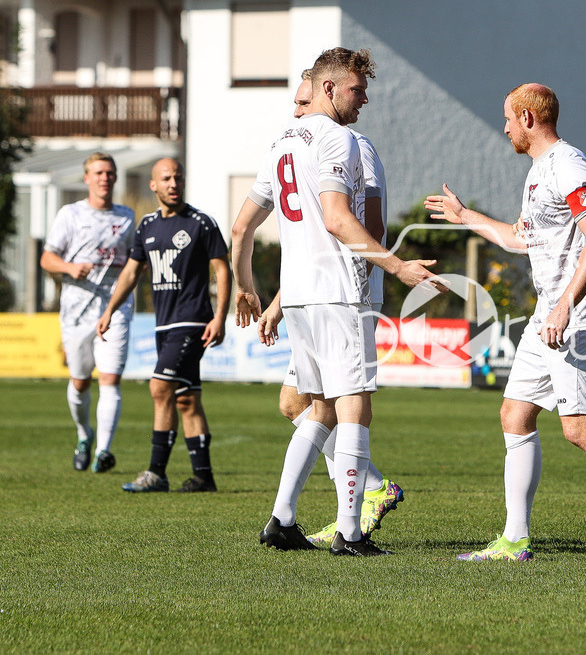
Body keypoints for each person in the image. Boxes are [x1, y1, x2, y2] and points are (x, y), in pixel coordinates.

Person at [425, 83, 586, 567]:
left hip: (575, 313)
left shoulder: (567, 164)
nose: (504, 127)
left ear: (528, 118)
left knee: (578, 428)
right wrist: (466, 216)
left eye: (508, 118)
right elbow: (517, 239)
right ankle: (515, 539)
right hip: (551, 311)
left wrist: (567, 303)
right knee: (515, 414)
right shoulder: (539, 172)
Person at [232, 47, 440, 557]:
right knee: (354, 408)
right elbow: (339, 220)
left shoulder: (281, 142)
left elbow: (241, 227)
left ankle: (282, 519)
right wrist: (398, 266)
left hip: (300, 295)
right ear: (329, 88)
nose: (364, 99)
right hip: (339, 292)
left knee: (319, 408)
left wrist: (247, 286)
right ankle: (349, 532)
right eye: (356, 89)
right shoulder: (340, 139)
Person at [248, 70, 403, 547]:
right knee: (308, 404)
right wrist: (277, 299)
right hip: (315, 293)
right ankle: (350, 508)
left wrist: (383, 269)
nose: (297, 114)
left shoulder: (355, 146)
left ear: (322, 93)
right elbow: (316, 231)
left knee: (326, 404)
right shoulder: (306, 143)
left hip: (343, 290)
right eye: (295, 105)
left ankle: (338, 511)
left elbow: (367, 224)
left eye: (302, 103)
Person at [97, 158, 230, 493]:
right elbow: (130, 272)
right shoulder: (146, 226)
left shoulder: (201, 222)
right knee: (186, 398)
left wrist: (219, 316)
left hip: (193, 321)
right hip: (164, 325)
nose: (174, 184)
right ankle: (204, 477)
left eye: (178, 178)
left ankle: (156, 473)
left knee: (159, 388)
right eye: (167, 179)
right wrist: (110, 309)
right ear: (153, 185)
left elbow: (222, 269)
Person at [41, 153, 135, 474]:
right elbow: (47, 258)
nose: (104, 178)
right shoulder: (70, 214)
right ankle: (84, 436)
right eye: (98, 173)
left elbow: (135, 263)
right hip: (76, 310)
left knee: (110, 379)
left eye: (109, 173)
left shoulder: (126, 217)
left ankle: (104, 451)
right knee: (80, 383)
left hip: (116, 308)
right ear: (86, 178)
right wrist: (69, 267)